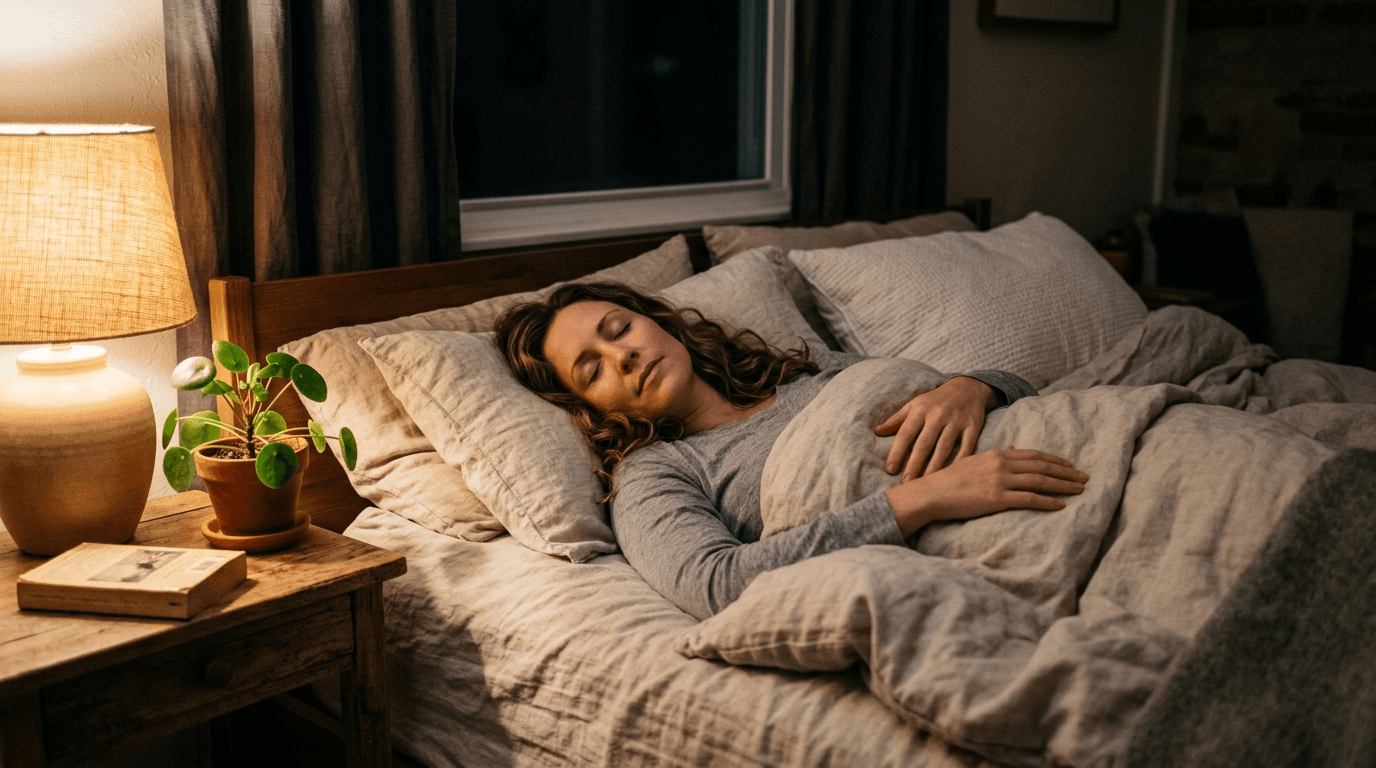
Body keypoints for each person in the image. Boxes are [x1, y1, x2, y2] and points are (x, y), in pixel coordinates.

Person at [495, 282, 1088, 620]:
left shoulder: (795, 370)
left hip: (1051, 447)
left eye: (620, 329)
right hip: (983, 532)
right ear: (590, 407)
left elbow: (989, 389)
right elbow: (716, 584)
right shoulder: (655, 473)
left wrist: (970, 388)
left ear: (657, 323)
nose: (621, 356)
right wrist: (925, 499)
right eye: (592, 369)